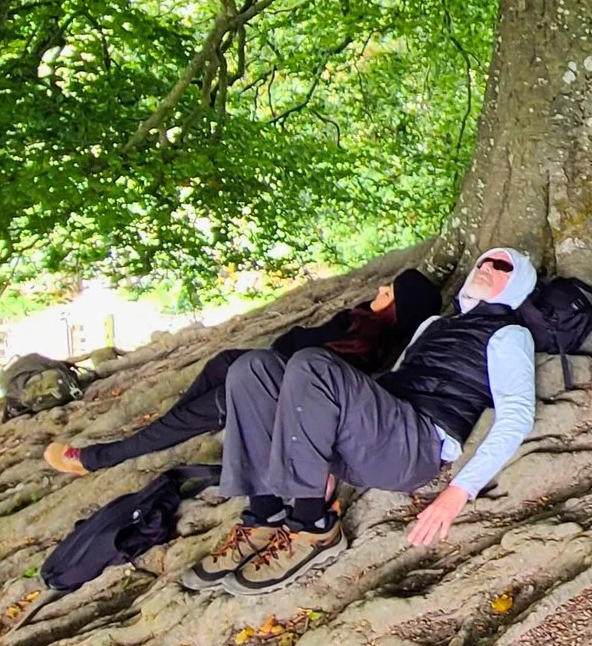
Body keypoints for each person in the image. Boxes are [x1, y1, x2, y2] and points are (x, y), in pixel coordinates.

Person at [181, 248, 542, 595]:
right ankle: (264, 513)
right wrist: (323, 444)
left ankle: (313, 525)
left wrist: (459, 492)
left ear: (517, 284)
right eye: (486, 260)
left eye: (503, 266)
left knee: (312, 364)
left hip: (413, 447)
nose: (489, 267)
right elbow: (394, 380)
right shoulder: (435, 324)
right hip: (374, 433)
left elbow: (517, 416)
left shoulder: (510, 334)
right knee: (253, 368)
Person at [43, 267, 440, 480]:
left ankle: (96, 459)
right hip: (266, 371)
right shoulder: (364, 322)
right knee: (222, 362)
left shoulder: (370, 339)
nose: (379, 291)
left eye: (388, 292)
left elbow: (315, 371)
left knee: (202, 408)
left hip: (273, 391)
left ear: (397, 309)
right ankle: (175, 424)